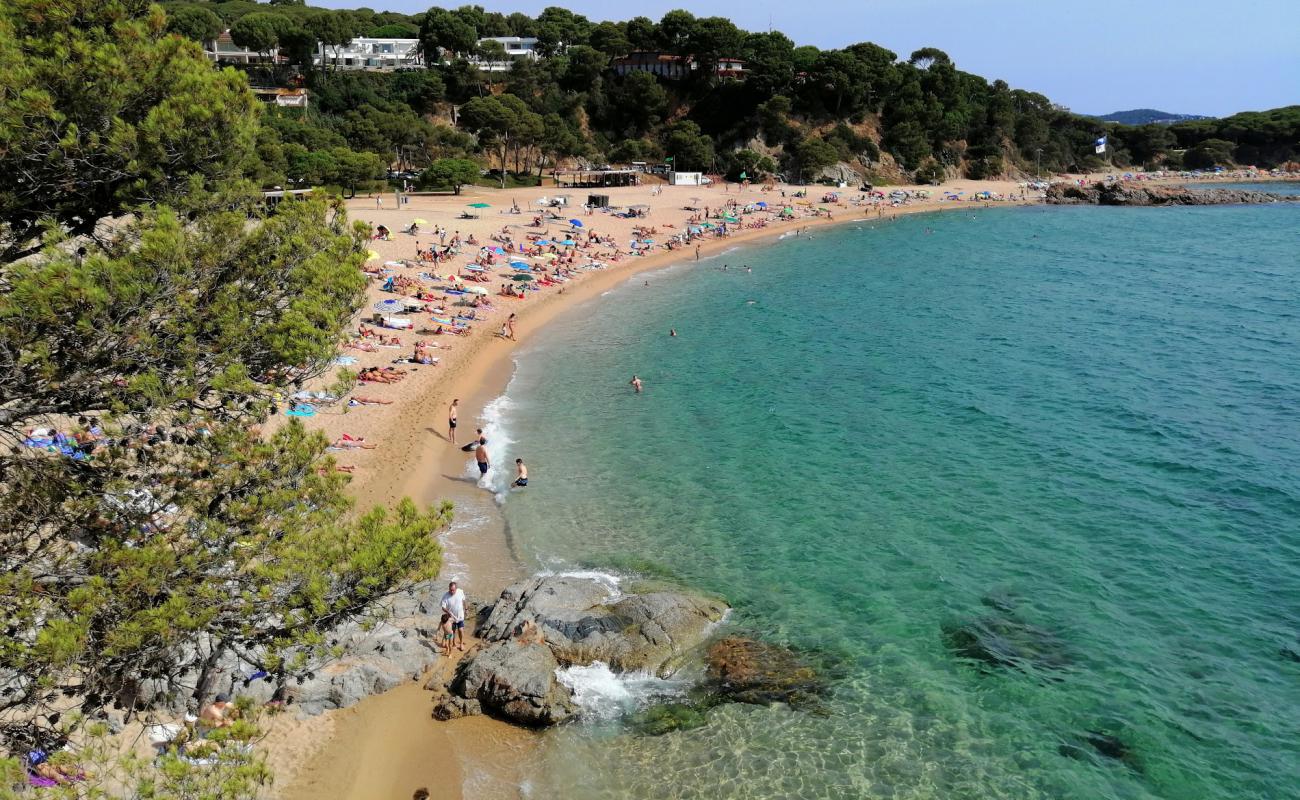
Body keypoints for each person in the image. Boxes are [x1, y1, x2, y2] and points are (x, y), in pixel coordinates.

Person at [440, 581, 467, 652]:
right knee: (452, 632)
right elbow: (443, 607)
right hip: (451, 618)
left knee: (461, 630)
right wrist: (448, 612)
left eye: (453, 590)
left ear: (456, 589)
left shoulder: (460, 592)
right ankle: (453, 643)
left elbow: (464, 601)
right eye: (450, 590)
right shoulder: (445, 596)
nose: (451, 591)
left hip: (460, 616)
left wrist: (466, 609)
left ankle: (461, 643)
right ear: (449, 588)